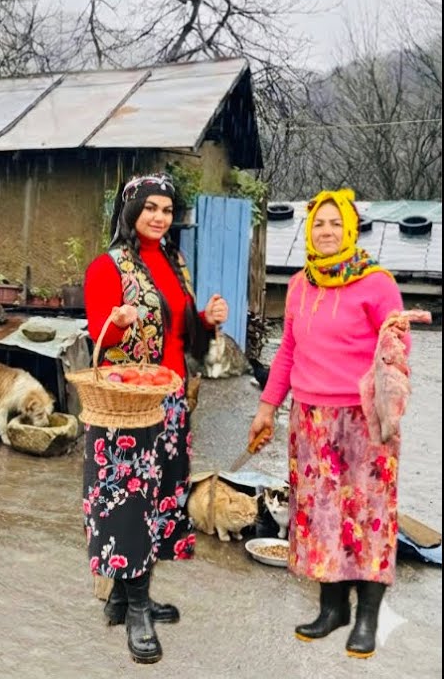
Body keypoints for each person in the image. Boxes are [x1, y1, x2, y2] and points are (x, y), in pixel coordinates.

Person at [246, 188, 408, 659]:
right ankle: (331, 607)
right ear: (310, 231)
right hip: (311, 419)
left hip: (365, 419)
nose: (328, 231)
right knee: (320, 516)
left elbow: (398, 351)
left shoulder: (378, 284)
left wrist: (384, 398)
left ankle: (367, 617)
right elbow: (289, 352)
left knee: (368, 516)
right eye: (319, 223)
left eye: (336, 223)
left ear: (351, 230)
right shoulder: (300, 284)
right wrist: (266, 407)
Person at [82, 173, 227, 664]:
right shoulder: (108, 266)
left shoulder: (174, 263)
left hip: (170, 399)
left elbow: (181, 334)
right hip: (127, 409)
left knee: (160, 496)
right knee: (129, 501)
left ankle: (122, 599)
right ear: (130, 212)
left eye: (166, 209)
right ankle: (138, 609)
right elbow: (100, 342)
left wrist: (206, 320)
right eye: (151, 208)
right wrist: (116, 324)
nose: (160, 217)